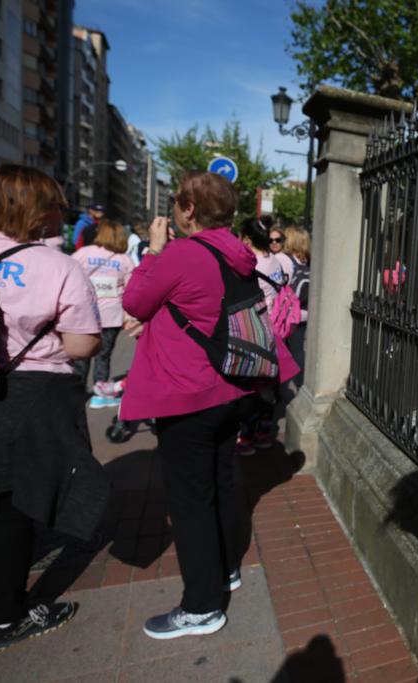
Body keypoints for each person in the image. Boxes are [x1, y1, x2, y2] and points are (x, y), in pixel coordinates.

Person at [121, 171, 296, 640]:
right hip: (232, 388)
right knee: (219, 484)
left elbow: (136, 301)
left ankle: (201, 606)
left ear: (189, 209)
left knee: (190, 501)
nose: (174, 209)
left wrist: (154, 250)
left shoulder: (180, 253)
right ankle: (225, 572)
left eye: (177, 201)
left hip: (187, 393)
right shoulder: (236, 253)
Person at [0, 164, 109, 654]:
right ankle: (3, 618)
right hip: (26, 391)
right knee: (11, 505)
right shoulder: (58, 266)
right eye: (54, 205)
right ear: (37, 210)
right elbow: (83, 344)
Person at [234, 216, 289, 454]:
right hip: (276, 331)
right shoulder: (274, 261)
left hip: (257, 334)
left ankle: (246, 438)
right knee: (269, 387)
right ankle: (264, 433)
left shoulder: (251, 264)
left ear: (246, 238)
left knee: (250, 390)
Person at [71, 219, 136, 406]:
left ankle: (77, 394)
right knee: (104, 356)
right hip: (111, 316)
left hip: (84, 314)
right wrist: (129, 317)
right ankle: (100, 394)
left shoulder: (82, 254)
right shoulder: (125, 261)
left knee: (81, 357)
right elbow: (130, 291)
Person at [283, 227, 311, 390]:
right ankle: (301, 381)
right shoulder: (306, 261)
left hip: (289, 314)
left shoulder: (287, 261)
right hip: (303, 313)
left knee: (291, 348)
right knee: (298, 347)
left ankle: (296, 382)